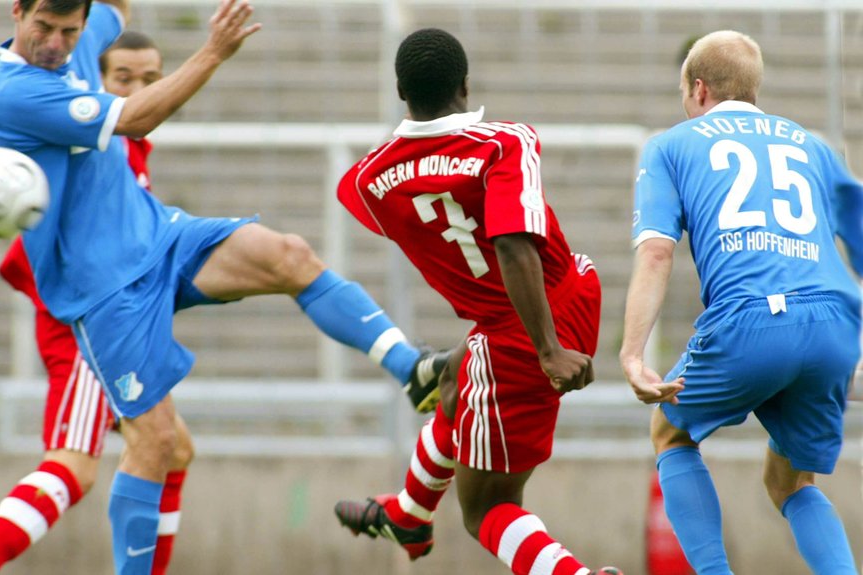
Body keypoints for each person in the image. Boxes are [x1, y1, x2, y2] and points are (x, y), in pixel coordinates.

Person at [0, 1, 447, 574]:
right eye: (43, 28)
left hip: (160, 236)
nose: (55, 43)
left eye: (68, 30)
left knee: (289, 255)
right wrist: (212, 52)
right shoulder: (11, 92)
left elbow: (114, 6)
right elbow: (133, 118)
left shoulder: (83, 37)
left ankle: (414, 371)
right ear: (16, 11)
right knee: (154, 444)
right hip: (102, 292)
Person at [332, 28, 621, 575]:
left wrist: (544, 350)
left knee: (487, 509)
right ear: (465, 85)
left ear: (400, 91)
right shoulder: (505, 142)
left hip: (522, 330)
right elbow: (514, 241)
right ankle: (409, 513)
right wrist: (549, 346)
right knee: (456, 381)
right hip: (564, 293)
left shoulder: (367, 180)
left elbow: (483, 240)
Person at [0, 29, 187, 575]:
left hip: (112, 322)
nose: (138, 88)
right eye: (123, 78)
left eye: (149, 78)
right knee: (75, 464)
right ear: (97, 80)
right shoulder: (87, 136)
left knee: (173, 448)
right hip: (83, 325)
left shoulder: (130, 144)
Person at [619, 30, 863, 575]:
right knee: (790, 480)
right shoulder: (813, 145)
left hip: (750, 318)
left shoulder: (671, 144)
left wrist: (633, 354)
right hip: (832, 324)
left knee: (670, 431)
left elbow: (657, 254)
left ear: (698, 89)